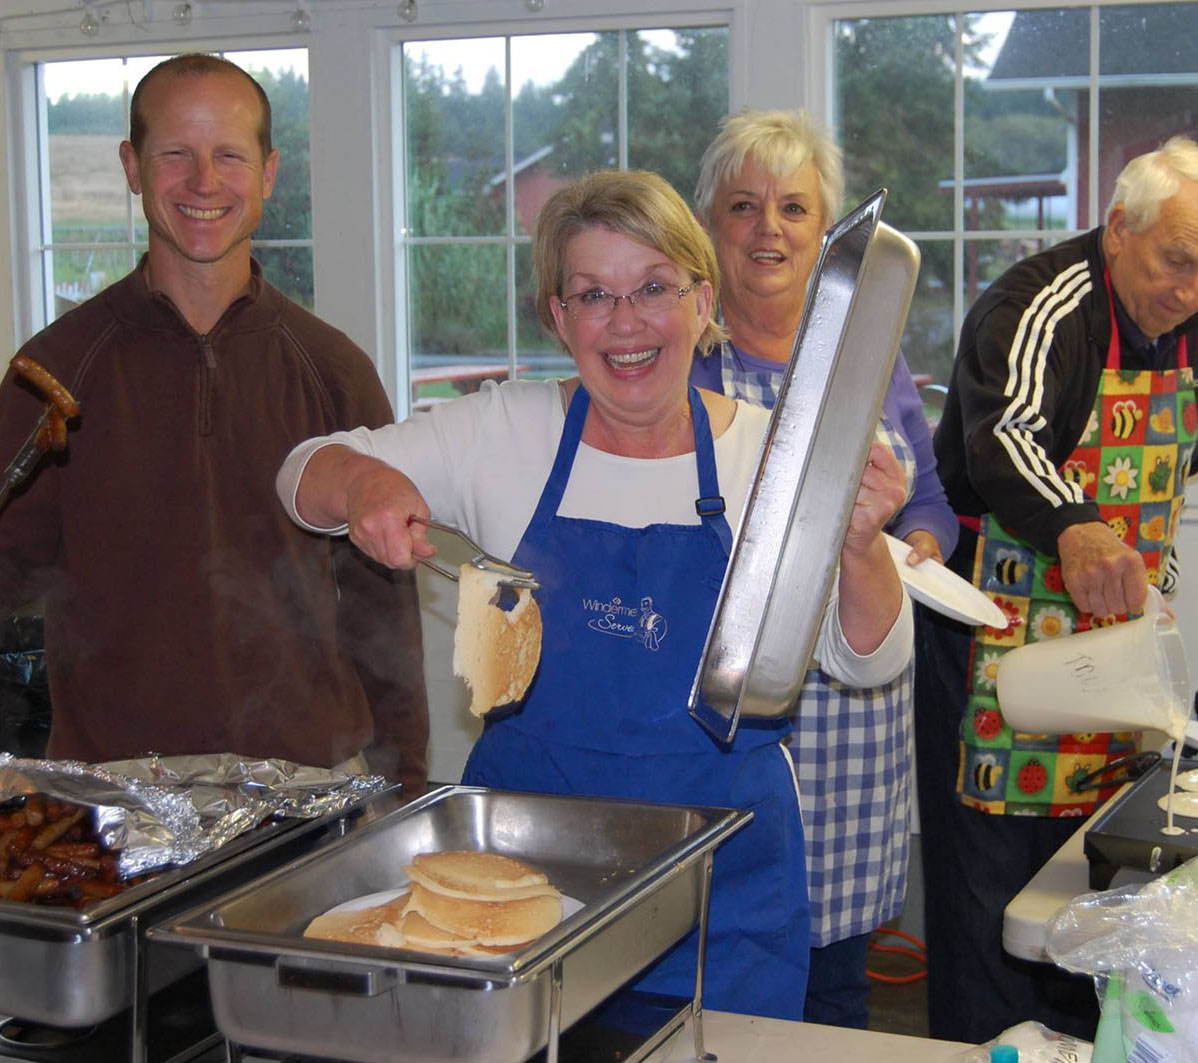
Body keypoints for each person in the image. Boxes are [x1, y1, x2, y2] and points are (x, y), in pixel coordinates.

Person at [276, 168, 914, 1019]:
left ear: (700, 298)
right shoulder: (507, 430)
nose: (626, 323)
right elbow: (302, 470)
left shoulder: (777, 454)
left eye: (653, 287)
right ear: (557, 315)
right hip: (522, 889)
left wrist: (862, 541)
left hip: (723, 883)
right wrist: (361, 487)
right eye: (591, 295)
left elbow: (869, 660)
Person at [0, 54, 429, 792]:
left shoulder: (333, 370)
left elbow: (382, 612)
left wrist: (408, 785)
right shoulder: (50, 375)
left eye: (229, 154)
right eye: (176, 154)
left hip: (311, 790)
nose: (204, 182)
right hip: (116, 797)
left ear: (267, 173)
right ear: (133, 167)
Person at [916, 135, 1198, 1043]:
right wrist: (1077, 525)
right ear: (1119, 229)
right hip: (999, 632)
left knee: (1091, 868)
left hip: (1111, 645)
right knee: (994, 883)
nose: (1189, 292)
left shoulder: (1189, 318)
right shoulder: (1042, 302)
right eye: (1177, 262)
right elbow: (1005, 431)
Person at [690, 107, 957, 1028]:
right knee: (717, 971)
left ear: (830, 233)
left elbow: (928, 501)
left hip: (850, 717)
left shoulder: (870, 358)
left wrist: (917, 544)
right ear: (709, 224)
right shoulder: (682, 360)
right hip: (720, 701)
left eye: (795, 208)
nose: (770, 229)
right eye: (744, 206)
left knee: (835, 983)